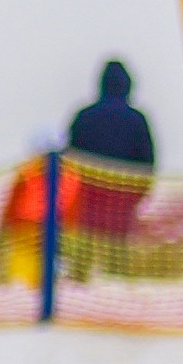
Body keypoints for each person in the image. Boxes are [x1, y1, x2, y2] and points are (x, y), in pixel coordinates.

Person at [60, 57, 157, 242]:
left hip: (86, 201)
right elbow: (147, 163)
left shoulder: (83, 117)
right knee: (116, 260)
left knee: (83, 256)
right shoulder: (136, 120)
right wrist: (137, 196)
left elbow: (68, 158)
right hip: (121, 202)